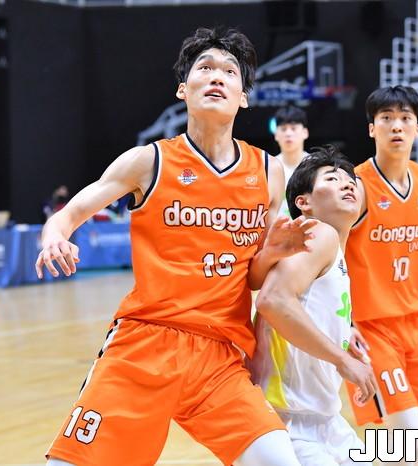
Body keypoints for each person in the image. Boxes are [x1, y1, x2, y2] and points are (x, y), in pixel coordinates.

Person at [36, 27, 323, 466]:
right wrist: (55, 237)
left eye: (229, 71)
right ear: (182, 89)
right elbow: (67, 214)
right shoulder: (148, 161)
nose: (217, 76)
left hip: (220, 356)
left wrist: (272, 254)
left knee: (280, 461)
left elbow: (254, 278)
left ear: (244, 97)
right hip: (145, 343)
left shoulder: (267, 171)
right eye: (204, 68)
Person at [344, 85, 418, 463]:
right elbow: (332, 255)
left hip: (416, 322)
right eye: (387, 118)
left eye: (405, 118)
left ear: (417, 129)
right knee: (406, 433)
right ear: (372, 129)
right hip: (371, 328)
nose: (397, 126)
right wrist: (342, 319)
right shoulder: (357, 186)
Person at [250, 146, 376, 466]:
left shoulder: (334, 250)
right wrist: (342, 359)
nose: (346, 184)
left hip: (325, 420)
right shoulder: (319, 233)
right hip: (287, 421)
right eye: (332, 179)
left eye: (350, 180)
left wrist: (344, 332)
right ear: (303, 203)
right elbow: (272, 300)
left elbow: (302, 304)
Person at [273, 105, 310, 217]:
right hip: (279, 227)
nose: (288, 133)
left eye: (293, 128)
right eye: (283, 129)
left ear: (305, 132)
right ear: (276, 135)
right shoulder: (268, 166)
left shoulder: (317, 165)